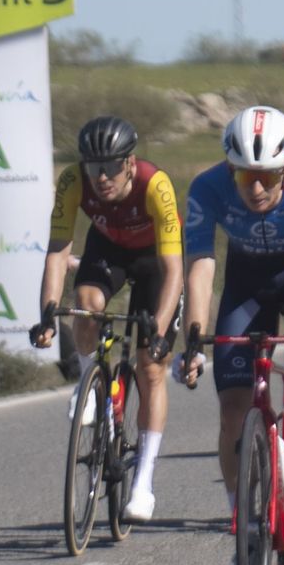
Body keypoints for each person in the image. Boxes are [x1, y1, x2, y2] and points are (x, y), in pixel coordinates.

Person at [176, 106, 284, 565]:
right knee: (232, 412)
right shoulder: (207, 189)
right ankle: (244, 534)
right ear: (231, 169)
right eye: (246, 176)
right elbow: (201, 268)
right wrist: (193, 339)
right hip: (245, 284)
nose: (255, 189)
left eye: (267, 177)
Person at [31, 115, 183, 523]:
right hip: (108, 250)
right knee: (84, 301)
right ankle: (91, 385)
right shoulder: (72, 181)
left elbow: (174, 269)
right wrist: (47, 312)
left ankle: (144, 481)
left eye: (111, 167)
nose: (101, 177)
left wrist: (162, 331)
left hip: (154, 261)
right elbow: (58, 249)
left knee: (151, 367)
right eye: (93, 167)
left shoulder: (156, 185)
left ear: (129, 163)